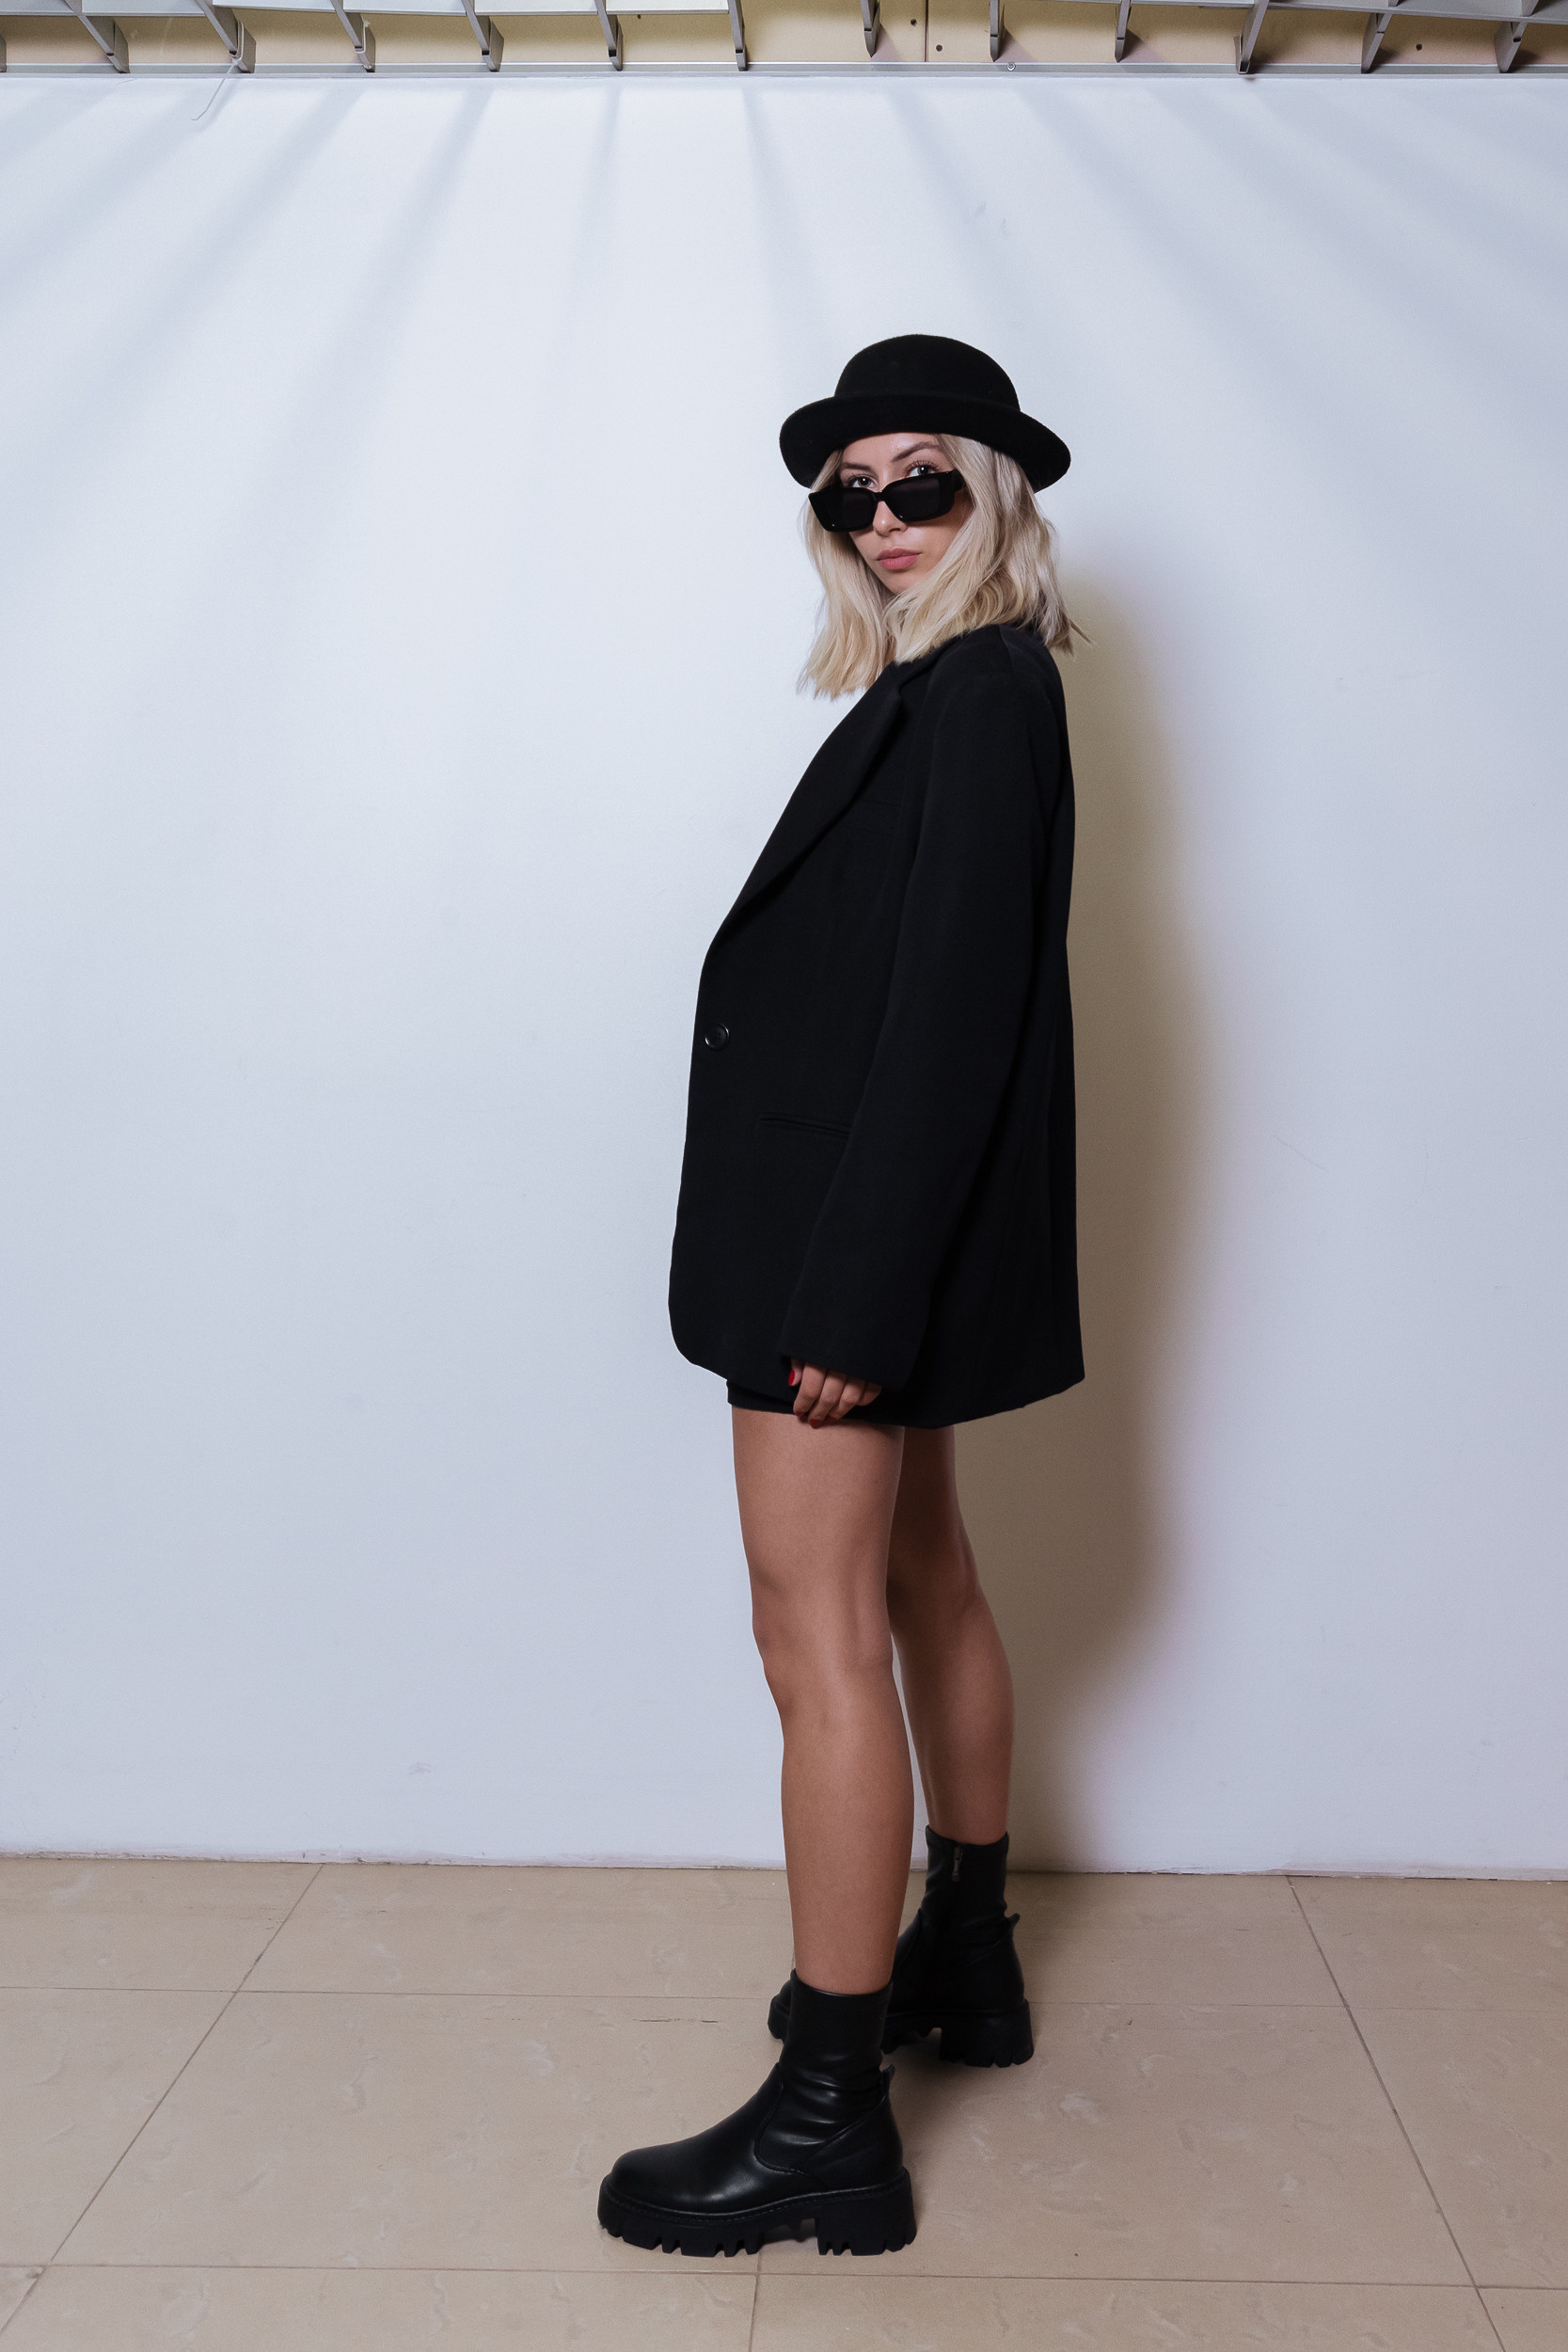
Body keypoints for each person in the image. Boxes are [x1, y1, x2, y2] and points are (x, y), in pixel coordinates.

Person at [598, 334, 1084, 2260]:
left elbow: (955, 1020)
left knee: (817, 1642)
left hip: (844, 1246)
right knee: (924, 1578)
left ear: (994, 495)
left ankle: (828, 2116)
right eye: (851, 494)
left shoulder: (979, 699)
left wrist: (859, 1300)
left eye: (921, 485)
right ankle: (968, 1951)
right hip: (876, 1231)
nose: (882, 521)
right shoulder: (967, 687)